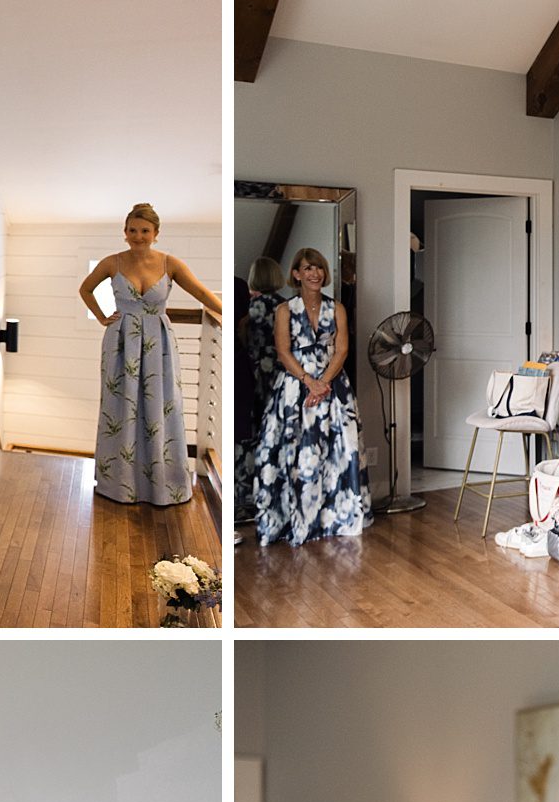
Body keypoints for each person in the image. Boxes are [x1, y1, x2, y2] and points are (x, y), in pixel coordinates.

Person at [79, 203, 222, 506]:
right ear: (125, 232)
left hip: (159, 343)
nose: (138, 236)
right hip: (120, 343)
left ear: (156, 234)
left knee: (161, 407)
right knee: (120, 409)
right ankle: (119, 483)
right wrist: (104, 317)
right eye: (133, 230)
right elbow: (86, 289)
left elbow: (200, 293)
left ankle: (163, 486)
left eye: (145, 231)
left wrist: (228, 313)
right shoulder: (112, 262)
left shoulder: (170, 263)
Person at [250, 248, 368, 546]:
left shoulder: (337, 307)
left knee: (338, 450)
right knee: (295, 450)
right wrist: (308, 381)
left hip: (333, 386)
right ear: (296, 274)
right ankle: (295, 517)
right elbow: (282, 351)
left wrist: (323, 383)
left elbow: (341, 350)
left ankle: (335, 518)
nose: (315, 273)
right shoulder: (285, 310)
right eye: (308, 268)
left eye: (319, 268)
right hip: (294, 386)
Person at [235, 257, 289, 526]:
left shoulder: (253, 307)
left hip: (254, 373)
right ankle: (275, 493)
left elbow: (246, 339)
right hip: (281, 374)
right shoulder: (286, 305)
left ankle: (247, 497)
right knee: (276, 433)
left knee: (250, 432)